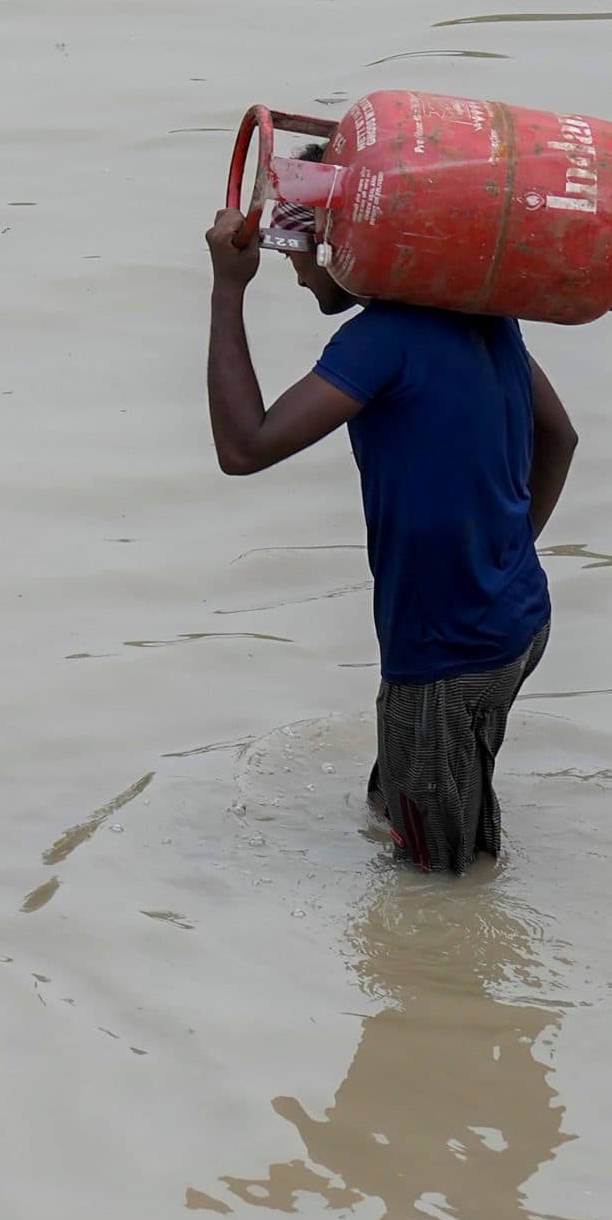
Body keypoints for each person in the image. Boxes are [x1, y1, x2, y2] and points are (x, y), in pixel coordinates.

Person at [204, 188, 579, 874]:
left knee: (438, 883)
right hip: (517, 622)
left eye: (298, 248)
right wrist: (502, 557)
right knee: (402, 803)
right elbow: (561, 436)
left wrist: (229, 289)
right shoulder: (483, 315)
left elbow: (243, 447)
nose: (293, 270)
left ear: (341, 242)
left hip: (445, 653)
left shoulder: (380, 343)